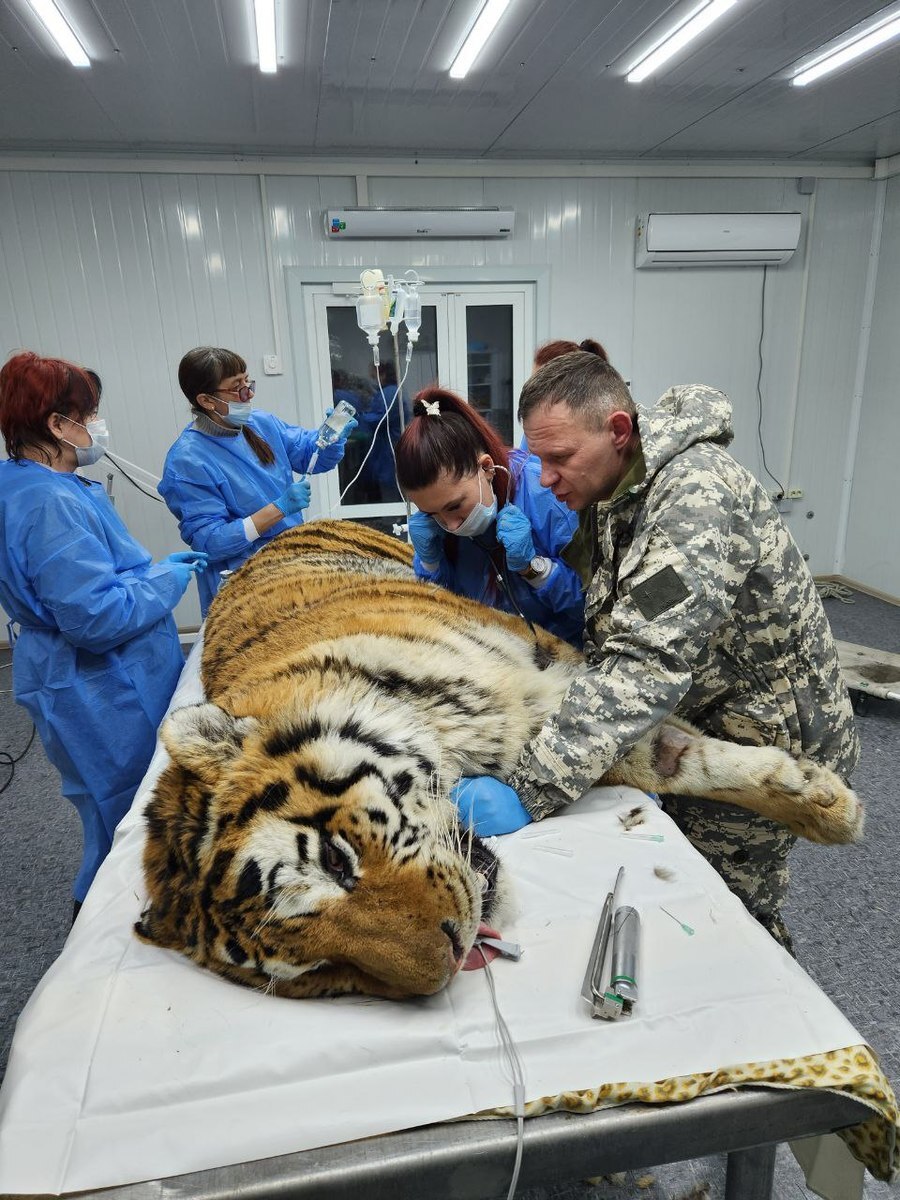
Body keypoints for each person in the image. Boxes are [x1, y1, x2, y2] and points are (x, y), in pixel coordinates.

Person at [495, 350, 859, 949]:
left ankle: (762, 1021)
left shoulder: (693, 494)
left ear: (617, 431)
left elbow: (645, 660)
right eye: (538, 459)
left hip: (765, 733)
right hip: (704, 709)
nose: (545, 477)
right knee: (674, 883)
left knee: (723, 910)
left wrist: (531, 784)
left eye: (559, 458)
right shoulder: (621, 486)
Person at [0, 352, 205, 911]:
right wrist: (165, 580)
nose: (97, 425)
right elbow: (93, 618)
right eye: (90, 413)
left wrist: (152, 572)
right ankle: (109, 925)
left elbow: (86, 581)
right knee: (129, 814)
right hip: (101, 685)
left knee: (112, 806)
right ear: (57, 424)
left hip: (77, 674)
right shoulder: (48, 502)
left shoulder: (22, 484)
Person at [160, 347, 357, 616]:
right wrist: (278, 510)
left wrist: (333, 437)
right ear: (206, 400)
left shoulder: (261, 423)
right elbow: (211, 542)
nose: (249, 394)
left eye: (248, 383)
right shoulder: (187, 461)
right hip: (243, 584)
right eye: (237, 388)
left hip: (290, 563)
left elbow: (312, 454)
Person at [396, 386, 585, 649]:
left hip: (561, 656)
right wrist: (429, 564)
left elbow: (590, 607)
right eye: (431, 514)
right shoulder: (438, 527)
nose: (450, 525)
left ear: (486, 468)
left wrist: (535, 570)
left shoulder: (549, 497)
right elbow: (442, 607)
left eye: (454, 506)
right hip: (486, 656)